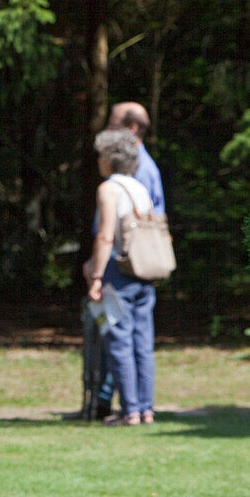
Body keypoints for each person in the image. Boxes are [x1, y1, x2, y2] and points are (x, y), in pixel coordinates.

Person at [87, 101, 166, 418]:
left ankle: (129, 410)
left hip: (117, 274)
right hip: (144, 274)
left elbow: (106, 235)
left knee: (119, 342)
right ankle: (146, 409)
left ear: (109, 157)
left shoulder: (110, 189)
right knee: (143, 344)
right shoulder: (140, 187)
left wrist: (95, 276)